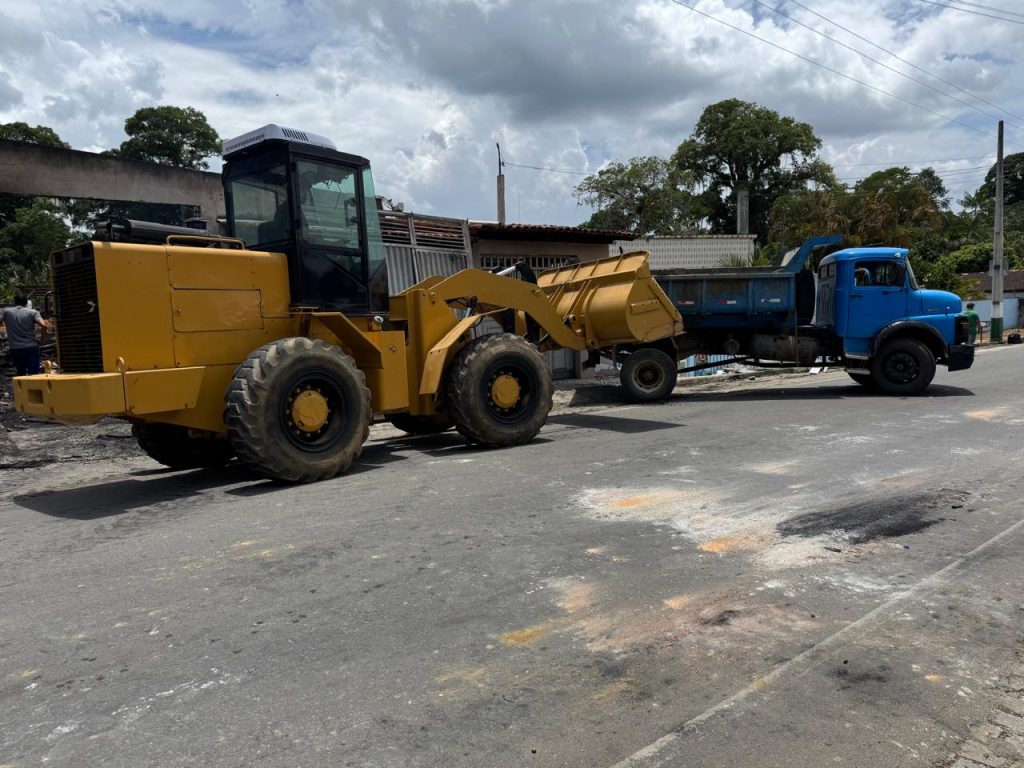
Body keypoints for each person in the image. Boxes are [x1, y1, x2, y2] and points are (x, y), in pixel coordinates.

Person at [1, 294, 47, 376]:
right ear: (26, 303)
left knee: (21, 373)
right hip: (31, 347)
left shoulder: (6, 311)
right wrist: (42, 340)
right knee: (34, 374)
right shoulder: (33, 312)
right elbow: (44, 325)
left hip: (16, 348)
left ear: (14, 302)